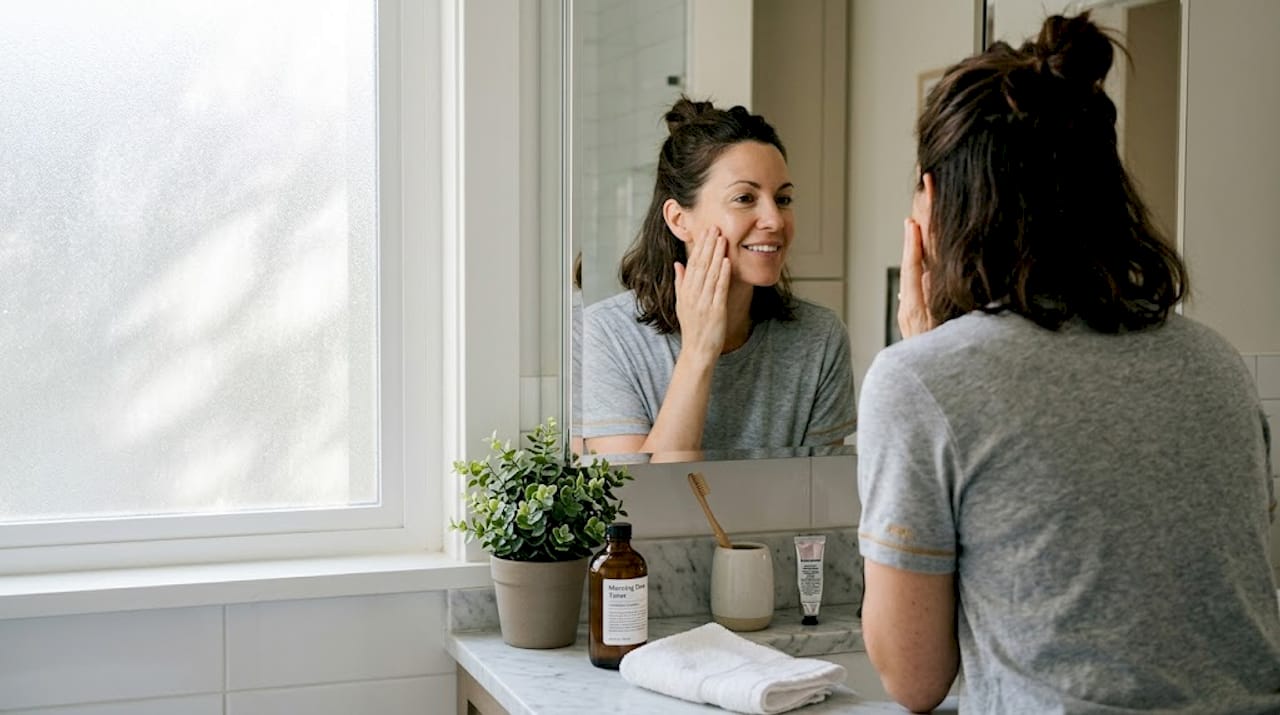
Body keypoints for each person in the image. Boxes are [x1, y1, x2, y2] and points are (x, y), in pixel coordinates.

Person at [856, 12, 1280, 714]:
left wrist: (925, 353)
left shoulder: (920, 383)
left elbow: (913, 677)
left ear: (934, 202)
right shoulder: (1218, 365)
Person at [581, 97, 857, 458]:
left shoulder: (819, 338)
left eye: (783, 199)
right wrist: (698, 351)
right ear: (679, 219)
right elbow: (639, 505)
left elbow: (818, 501)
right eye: (744, 198)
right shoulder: (607, 336)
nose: (774, 220)